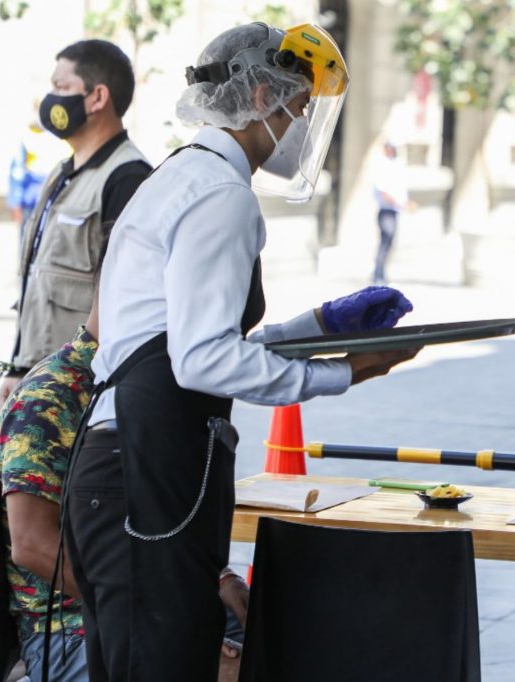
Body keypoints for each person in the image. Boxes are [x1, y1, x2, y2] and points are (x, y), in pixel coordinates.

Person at [63, 22, 417, 681]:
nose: (301, 128)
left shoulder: (181, 176)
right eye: (299, 109)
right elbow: (201, 361)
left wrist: (319, 325)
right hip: (144, 469)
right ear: (261, 95)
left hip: (133, 465)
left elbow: (184, 340)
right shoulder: (221, 197)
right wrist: (336, 374)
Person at [0, 277, 248, 682]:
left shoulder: (147, 383)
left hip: (157, 594)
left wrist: (219, 578)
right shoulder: (51, 396)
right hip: (73, 625)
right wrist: (157, 620)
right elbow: (33, 544)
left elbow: (154, 512)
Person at [0, 40, 151, 407]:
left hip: (79, 389)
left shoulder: (127, 179)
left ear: (97, 98)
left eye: (62, 88)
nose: (50, 99)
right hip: (39, 377)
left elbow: (120, 296)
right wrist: (20, 368)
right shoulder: (62, 173)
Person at [6, 104, 70, 252]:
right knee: (28, 245)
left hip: (54, 201)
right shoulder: (27, 137)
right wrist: (15, 201)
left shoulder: (58, 137)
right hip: (31, 202)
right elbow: (17, 172)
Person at [372, 142, 415, 285]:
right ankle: (378, 273)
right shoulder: (381, 166)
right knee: (386, 239)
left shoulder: (397, 165)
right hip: (386, 211)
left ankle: (380, 271)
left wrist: (405, 204)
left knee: (389, 242)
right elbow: (383, 192)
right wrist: (400, 204)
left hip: (394, 211)